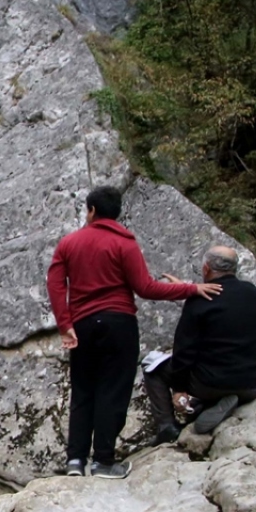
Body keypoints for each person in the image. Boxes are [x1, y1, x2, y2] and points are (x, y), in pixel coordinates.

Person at [46, 186, 220, 479]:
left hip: (83, 325)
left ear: (91, 211)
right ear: (117, 212)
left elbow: (55, 284)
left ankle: (75, 460)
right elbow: (145, 287)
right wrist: (190, 288)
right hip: (118, 323)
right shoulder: (125, 244)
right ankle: (103, 461)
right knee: (112, 391)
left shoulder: (69, 243)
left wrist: (65, 325)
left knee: (83, 391)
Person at [143, 246, 256, 444]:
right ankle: (213, 405)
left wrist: (180, 389)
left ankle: (167, 427)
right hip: (250, 383)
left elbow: (184, 351)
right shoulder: (251, 292)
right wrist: (188, 290)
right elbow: (223, 303)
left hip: (211, 383)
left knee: (152, 368)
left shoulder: (198, 302)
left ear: (206, 268)